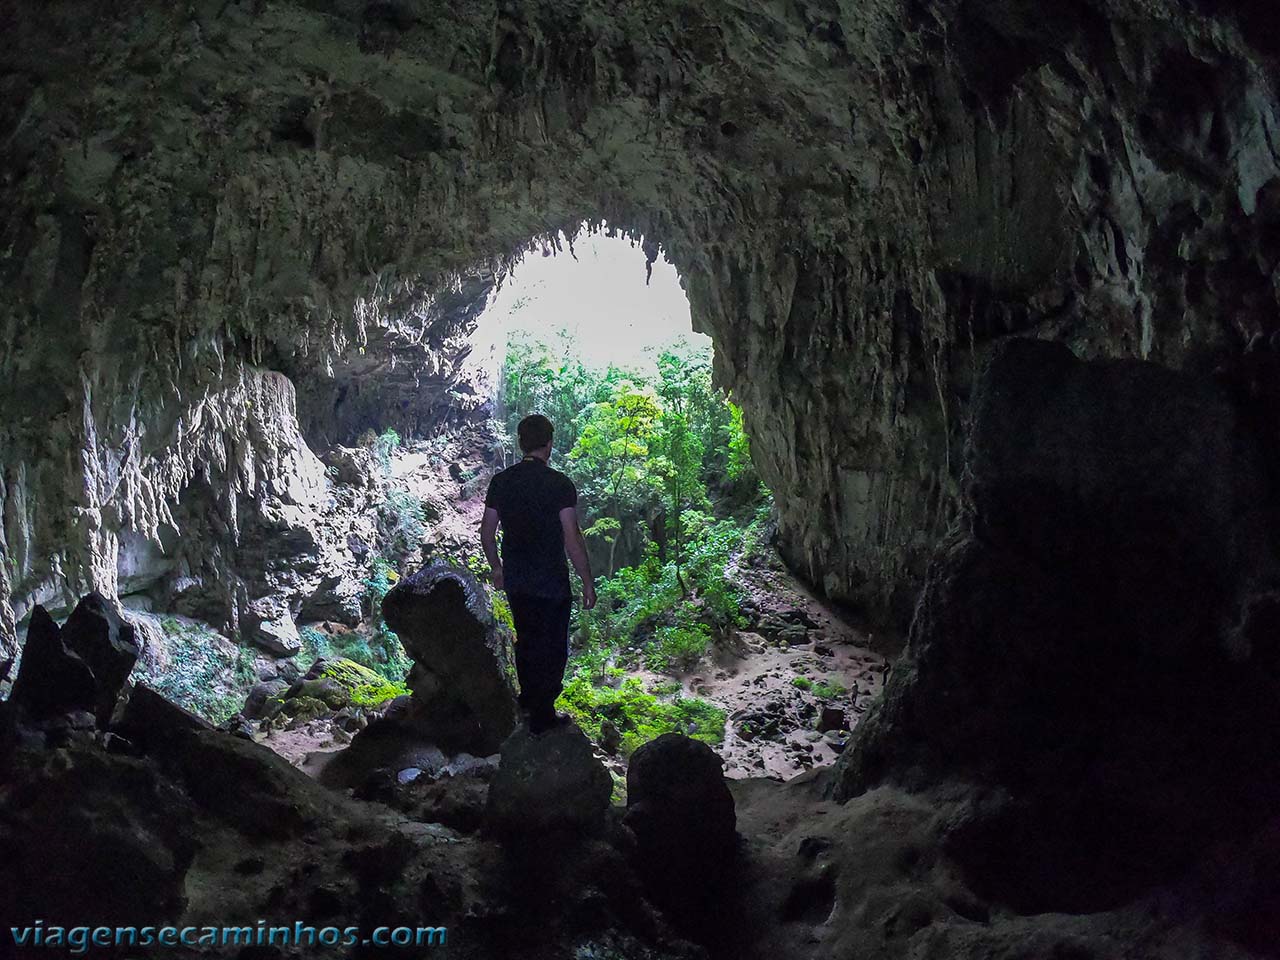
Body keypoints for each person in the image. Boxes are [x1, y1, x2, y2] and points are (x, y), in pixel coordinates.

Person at [480, 414, 596, 734]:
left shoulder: (502, 482)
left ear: (521, 443)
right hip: (552, 582)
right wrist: (587, 580)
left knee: (527, 641)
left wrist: (497, 569)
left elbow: (487, 533)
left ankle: (530, 704)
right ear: (549, 444)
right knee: (554, 646)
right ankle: (544, 712)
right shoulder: (559, 484)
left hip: (518, 579)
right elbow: (572, 537)